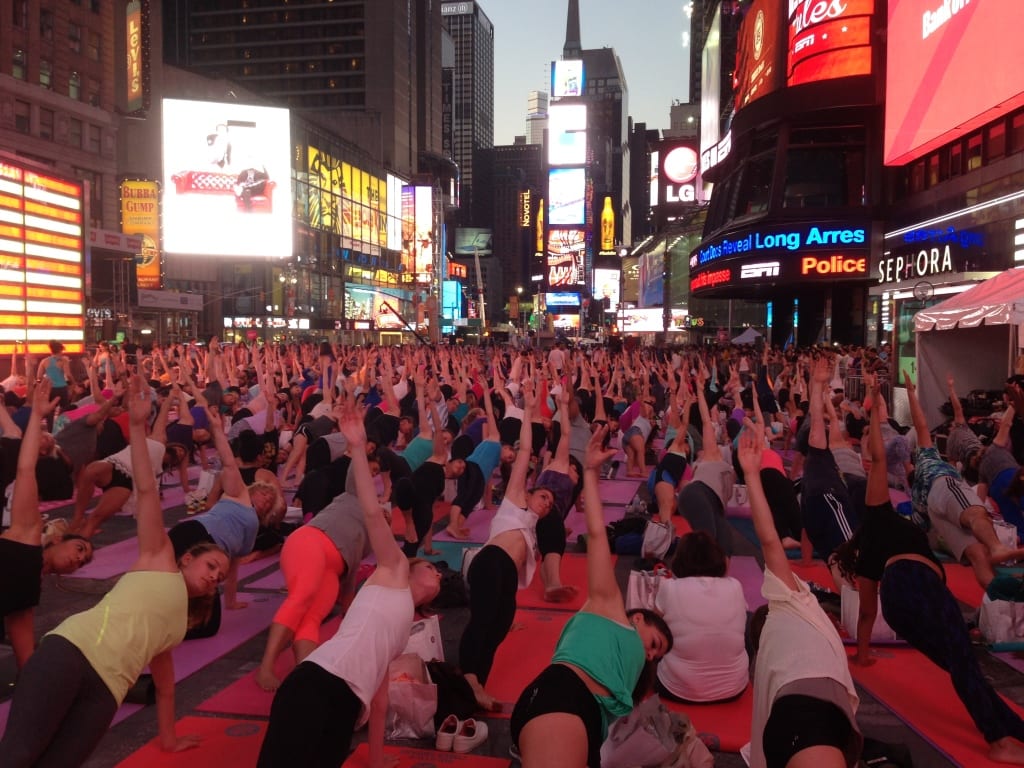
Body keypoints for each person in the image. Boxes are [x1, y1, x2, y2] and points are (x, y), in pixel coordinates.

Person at [0, 376, 229, 766]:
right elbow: (143, 489)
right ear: (187, 558)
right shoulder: (159, 558)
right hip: (71, 652)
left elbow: (166, 688)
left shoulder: (176, 628)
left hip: (107, 690)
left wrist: (170, 739)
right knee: (17, 758)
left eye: (220, 578)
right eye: (212, 565)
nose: (214, 577)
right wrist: (138, 429)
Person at [836, 375, 1024, 765]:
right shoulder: (881, 517)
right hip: (918, 585)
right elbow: (877, 460)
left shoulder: (875, 550)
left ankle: (1010, 728)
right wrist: (874, 406)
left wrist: (864, 656)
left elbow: (869, 612)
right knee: (963, 662)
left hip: (900, 604)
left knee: (963, 665)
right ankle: (997, 740)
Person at [256, 399, 441, 768]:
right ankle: (267, 662)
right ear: (415, 567)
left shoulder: (404, 625)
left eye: (439, 577)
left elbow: (380, 700)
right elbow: (372, 512)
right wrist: (357, 448)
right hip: (317, 682)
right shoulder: (394, 570)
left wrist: (376, 761)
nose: (439, 574)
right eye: (434, 570)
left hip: (345, 702)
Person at [511, 424, 672, 768]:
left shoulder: (626, 678)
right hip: (560, 700)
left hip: (578, 717)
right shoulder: (609, 607)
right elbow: (597, 536)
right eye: (655, 644)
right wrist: (590, 473)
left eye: (656, 656)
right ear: (639, 618)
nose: (650, 655)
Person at [742, 418, 862, 768]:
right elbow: (769, 542)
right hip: (812, 714)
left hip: (811, 715)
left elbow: (769, 540)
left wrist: (752, 474)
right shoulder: (794, 603)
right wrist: (751, 474)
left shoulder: (794, 608)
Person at [458, 379, 555, 711]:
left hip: (507, 577)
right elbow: (526, 452)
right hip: (492, 561)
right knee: (483, 620)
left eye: (550, 504)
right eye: (543, 496)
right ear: (530, 493)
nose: (546, 503)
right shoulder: (515, 501)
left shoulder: (532, 532)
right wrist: (529, 409)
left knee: (498, 628)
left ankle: (476, 684)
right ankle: (469, 679)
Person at [166, 390, 278, 639]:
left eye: (270, 501)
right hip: (195, 532)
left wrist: (231, 601)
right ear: (254, 491)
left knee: (209, 626)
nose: (266, 499)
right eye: (264, 494)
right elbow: (228, 463)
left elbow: (234, 567)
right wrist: (218, 431)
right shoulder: (239, 495)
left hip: (212, 555)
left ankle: (165, 629)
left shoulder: (250, 535)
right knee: (164, 584)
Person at [1, 379, 94, 670]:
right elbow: (26, 467)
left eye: (81, 562)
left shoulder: (32, 585)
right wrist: (38, 416)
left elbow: (23, 638)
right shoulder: (26, 536)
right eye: (80, 549)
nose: (78, 560)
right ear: (58, 539)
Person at [905, 370, 1024, 587]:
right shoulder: (930, 456)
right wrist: (911, 393)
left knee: (977, 556)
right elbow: (920, 423)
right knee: (975, 514)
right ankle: (997, 548)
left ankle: (999, 597)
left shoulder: (916, 500)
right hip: (945, 482)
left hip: (935, 507)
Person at [655, 531, 748, 703]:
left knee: (650, 637)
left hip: (678, 689)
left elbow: (654, 625)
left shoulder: (670, 588)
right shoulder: (735, 586)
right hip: (734, 688)